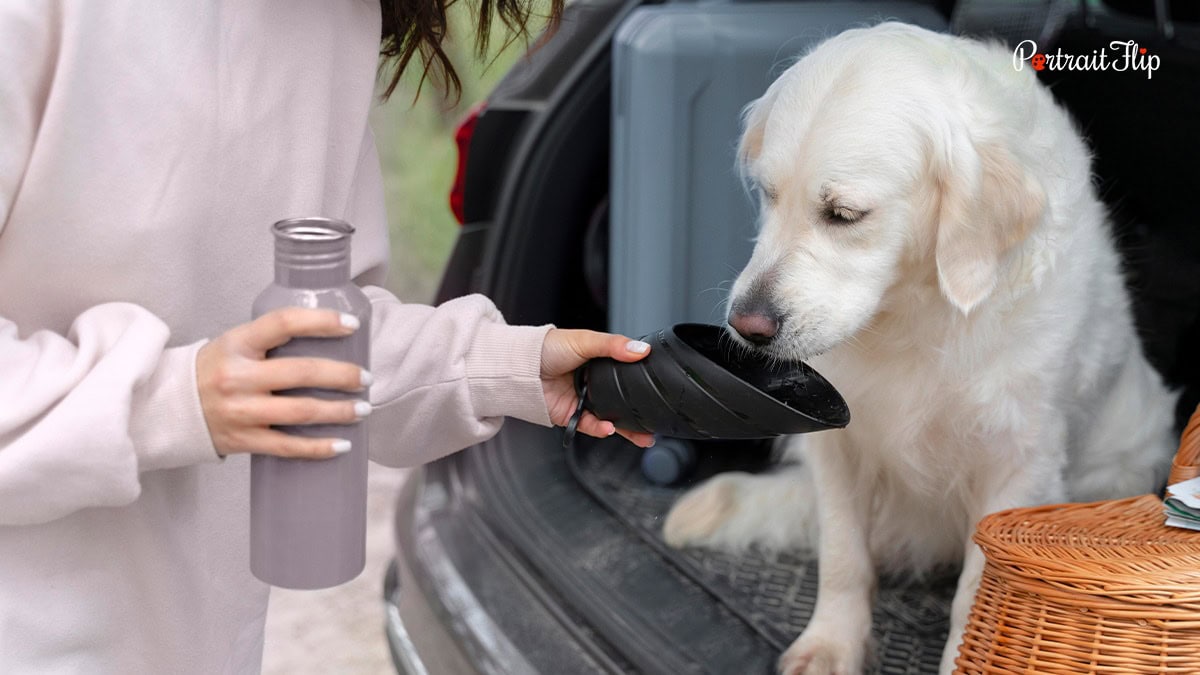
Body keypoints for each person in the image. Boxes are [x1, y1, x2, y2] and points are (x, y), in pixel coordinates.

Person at [0, 1, 652, 671]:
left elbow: (321, 333)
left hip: (198, 638)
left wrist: (509, 364)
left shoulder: (333, 21)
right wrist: (174, 399)